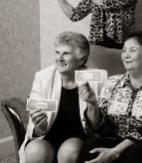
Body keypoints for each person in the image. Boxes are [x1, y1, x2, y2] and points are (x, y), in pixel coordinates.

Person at [78, 32, 142, 163]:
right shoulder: (112, 83)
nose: (126, 55)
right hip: (113, 140)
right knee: (91, 146)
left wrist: (115, 151)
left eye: (132, 50)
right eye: (124, 51)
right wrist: (92, 104)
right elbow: (96, 127)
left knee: (134, 154)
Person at [19, 32, 91, 163]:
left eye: (66, 53)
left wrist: (93, 104)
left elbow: (98, 125)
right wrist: (39, 126)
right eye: (57, 52)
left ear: (81, 59)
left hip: (77, 138)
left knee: (69, 150)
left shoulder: (93, 79)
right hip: (48, 135)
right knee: (35, 150)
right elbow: (34, 122)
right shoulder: (42, 77)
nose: (59, 58)